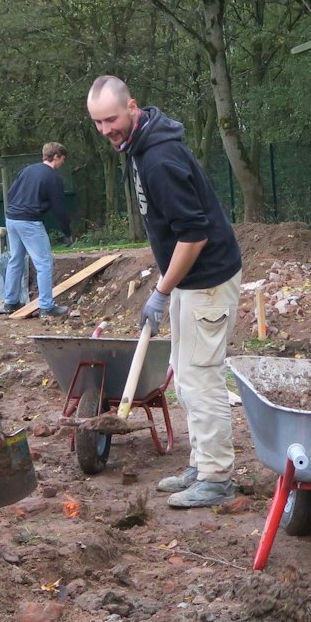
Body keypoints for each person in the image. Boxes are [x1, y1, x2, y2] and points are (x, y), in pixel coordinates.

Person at [86, 75, 243, 509]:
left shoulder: (159, 159)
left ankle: (216, 478)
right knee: (185, 373)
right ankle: (201, 462)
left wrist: (161, 290)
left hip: (206, 278)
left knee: (201, 378)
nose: (105, 130)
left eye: (111, 119)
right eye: (97, 122)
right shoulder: (138, 146)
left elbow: (194, 236)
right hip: (190, 282)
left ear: (132, 106)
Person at [3, 141, 73, 315]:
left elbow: (11, 193)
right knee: (43, 263)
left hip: (11, 218)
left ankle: (10, 302)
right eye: (62, 159)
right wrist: (67, 232)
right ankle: (47, 307)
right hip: (29, 221)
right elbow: (59, 207)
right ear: (56, 156)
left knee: (16, 260)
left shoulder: (27, 170)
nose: (62, 163)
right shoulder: (52, 177)